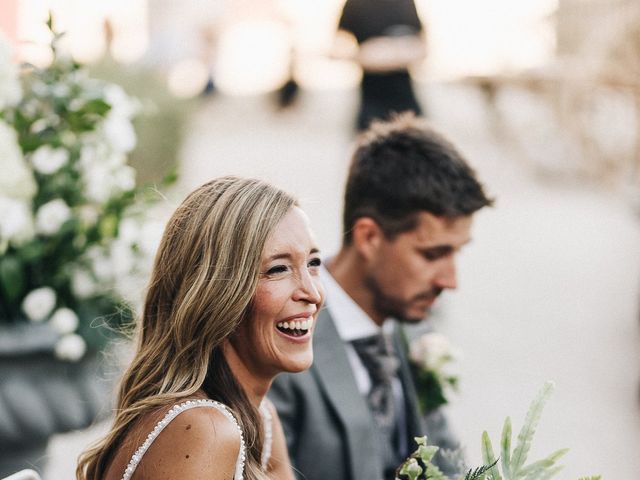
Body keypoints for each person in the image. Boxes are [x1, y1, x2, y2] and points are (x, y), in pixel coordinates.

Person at [269, 113, 493, 480]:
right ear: (369, 237)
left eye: (457, 252)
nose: (450, 281)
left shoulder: (414, 328)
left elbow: (450, 466)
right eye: (432, 254)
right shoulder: (279, 337)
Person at [76, 176, 325, 480]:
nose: (312, 294)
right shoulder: (205, 430)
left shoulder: (260, 418)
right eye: (278, 269)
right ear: (217, 295)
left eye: (313, 263)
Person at [335, 0, 427, 131]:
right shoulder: (354, 3)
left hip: (407, 106)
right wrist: (366, 55)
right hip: (370, 105)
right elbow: (337, 46)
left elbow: (424, 48)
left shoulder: (405, 3)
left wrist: (394, 54)